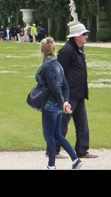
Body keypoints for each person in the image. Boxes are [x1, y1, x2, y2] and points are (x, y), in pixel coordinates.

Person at [36, 37, 83, 169]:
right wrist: (65, 102)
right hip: (57, 106)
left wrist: (63, 102)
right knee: (57, 135)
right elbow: (65, 86)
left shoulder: (48, 66)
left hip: (50, 105)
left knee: (49, 136)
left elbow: (54, 88)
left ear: (42, 50)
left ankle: (51, 166)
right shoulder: (57, 65)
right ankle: (75, 159)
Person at [56, 23, 98, 160]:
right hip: (69, 94)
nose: (86, 37)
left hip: (79, 93)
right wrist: (62, 94)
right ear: (76, 36)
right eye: (84, 34)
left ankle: (82, 150)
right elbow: (59, 72)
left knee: (82, 124)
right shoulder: (67, 50)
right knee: (63, 123)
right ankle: (54, 150)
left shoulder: (80, 48)